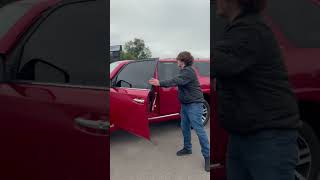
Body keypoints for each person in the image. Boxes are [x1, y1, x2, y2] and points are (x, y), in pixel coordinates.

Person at [213, 0, 302, 180]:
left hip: (268, 136)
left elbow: (220, 62)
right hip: (243, 132)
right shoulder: (239, 29)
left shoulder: (250, 30)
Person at [149, 51, 210, 172]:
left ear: (183, 61)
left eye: (178, 60)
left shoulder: (188, 71)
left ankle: (208, 157)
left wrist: (160, 83)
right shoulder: (184, 71)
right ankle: (187, 148)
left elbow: (176, 80)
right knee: (184, 127)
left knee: (199, 130)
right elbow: (178, 81)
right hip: (185, 105)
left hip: (194, 105)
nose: (176, 62)